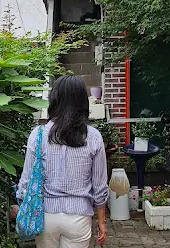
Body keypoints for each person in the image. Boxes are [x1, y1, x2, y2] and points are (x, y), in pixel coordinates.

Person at [16, 75, 109, 248]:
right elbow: (100, 186)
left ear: (54, 100)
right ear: (82, 102)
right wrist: (101, 220)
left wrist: (23, 205)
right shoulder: (93, 137)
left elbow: (26, 181)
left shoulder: (38, 134)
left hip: (44, 215)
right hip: (79, 217)